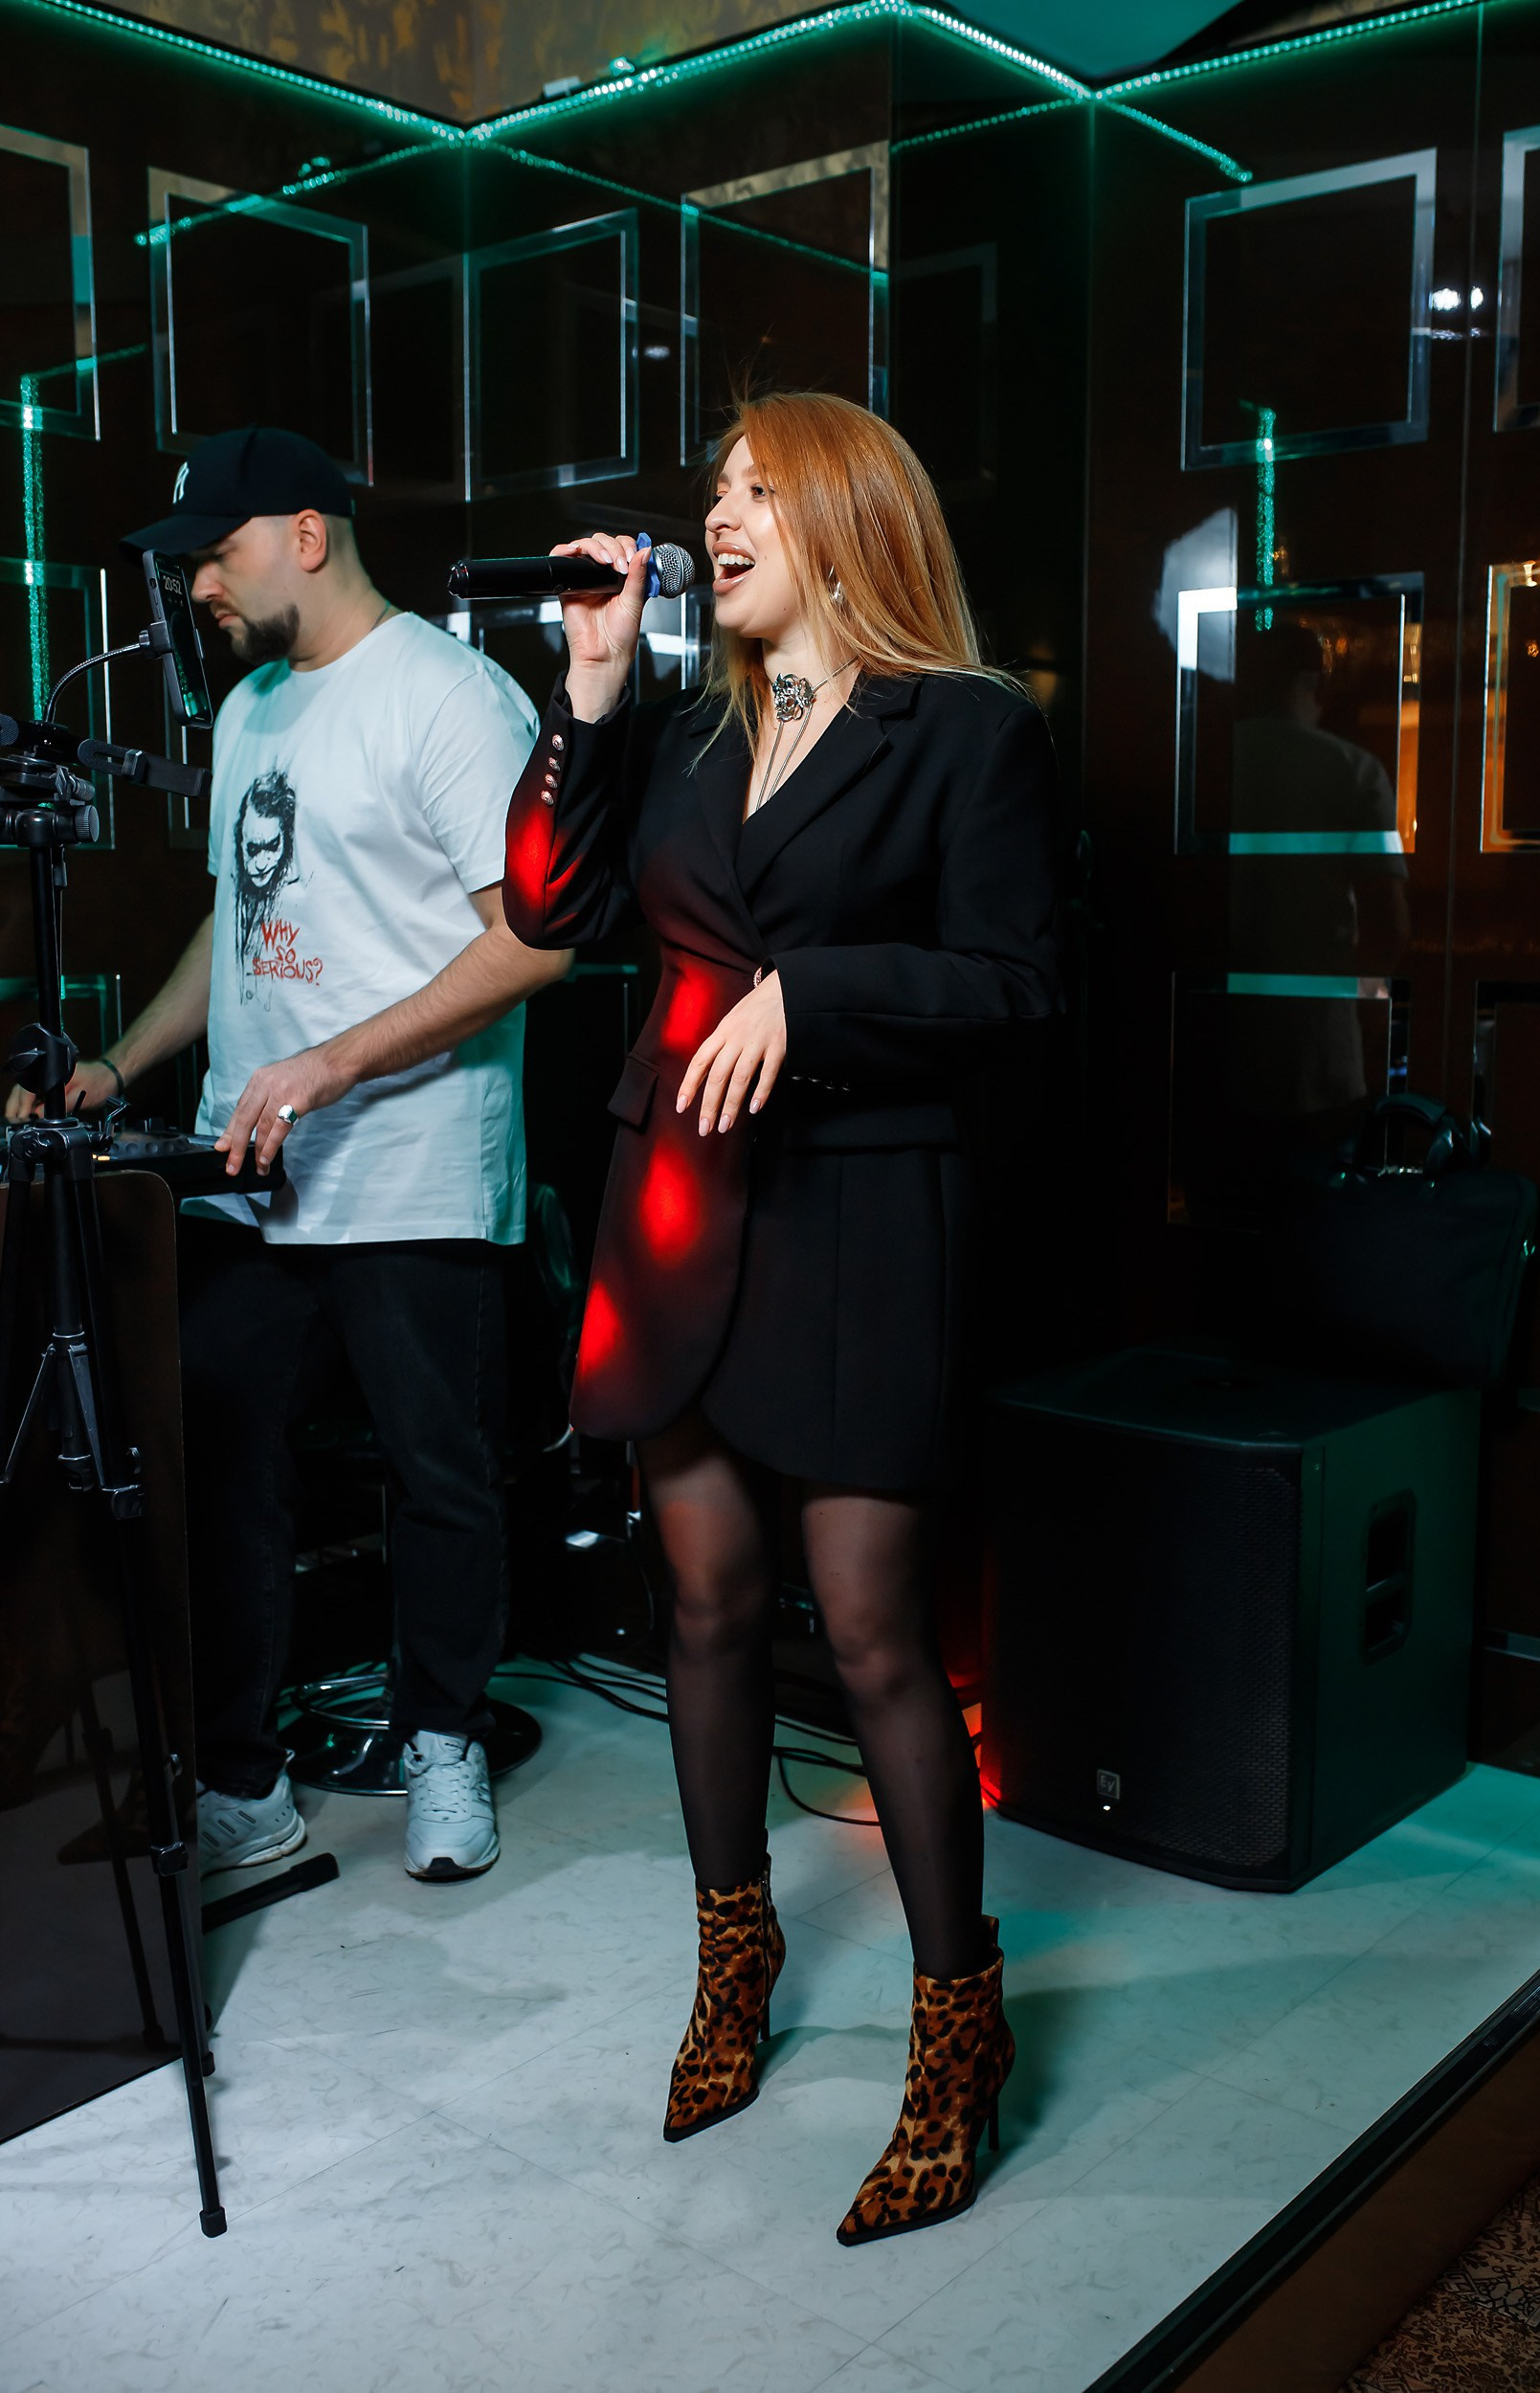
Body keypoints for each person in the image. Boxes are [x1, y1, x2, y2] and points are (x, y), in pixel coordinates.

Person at [502, 391, 1060, 2244]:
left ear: (842, 517)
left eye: (757, 490)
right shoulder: (680, 729)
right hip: (675, 1210)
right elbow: (552, 904)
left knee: (879, 1632)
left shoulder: (966, 728)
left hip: (859, 1213)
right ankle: (731, 1963)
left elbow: (1015, 982)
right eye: (714, 491)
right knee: (706, 1610)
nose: (717, 517)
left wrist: (813, 997)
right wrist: (589, 689)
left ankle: (957, 2026)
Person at [8, 425, 571, 1881]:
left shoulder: (451, 699)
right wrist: (119, 1064)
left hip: (410, 1169)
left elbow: (531, 942)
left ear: (307, 535)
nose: (196, 582)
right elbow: (240, 923)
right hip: (244, 1175)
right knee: (219, 1461)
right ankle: (242, 1782)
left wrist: (332, 1062)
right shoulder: (253, 708)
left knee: (438, 1472)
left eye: (215, 552)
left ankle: (444, 1744)